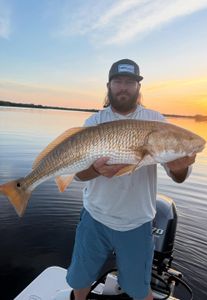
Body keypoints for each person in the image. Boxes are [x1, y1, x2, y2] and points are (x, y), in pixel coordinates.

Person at [55, 59, 196, 300]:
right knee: (80, 278)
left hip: (137, 222)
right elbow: (79, 173)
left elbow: (178, 176)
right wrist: (97, 171)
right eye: (118, 81)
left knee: (139, 289)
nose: (123, 87)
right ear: (109, 85)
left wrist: (180, 166)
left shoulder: (156, 122)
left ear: (138, 87)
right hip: (95, 216)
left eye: (130, 82)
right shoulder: (95, 122)